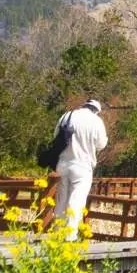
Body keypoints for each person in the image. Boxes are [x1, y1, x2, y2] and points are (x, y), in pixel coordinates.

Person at [50, 99, 109, 241]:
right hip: (83, 165)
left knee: (61, 199)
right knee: (77, 199)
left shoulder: (68, 115)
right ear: (96, 110)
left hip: (63, 163)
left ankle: (57, 232)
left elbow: (55, 136)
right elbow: (101, 144)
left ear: (83, 106)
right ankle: (70, 235)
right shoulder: (96, 121)